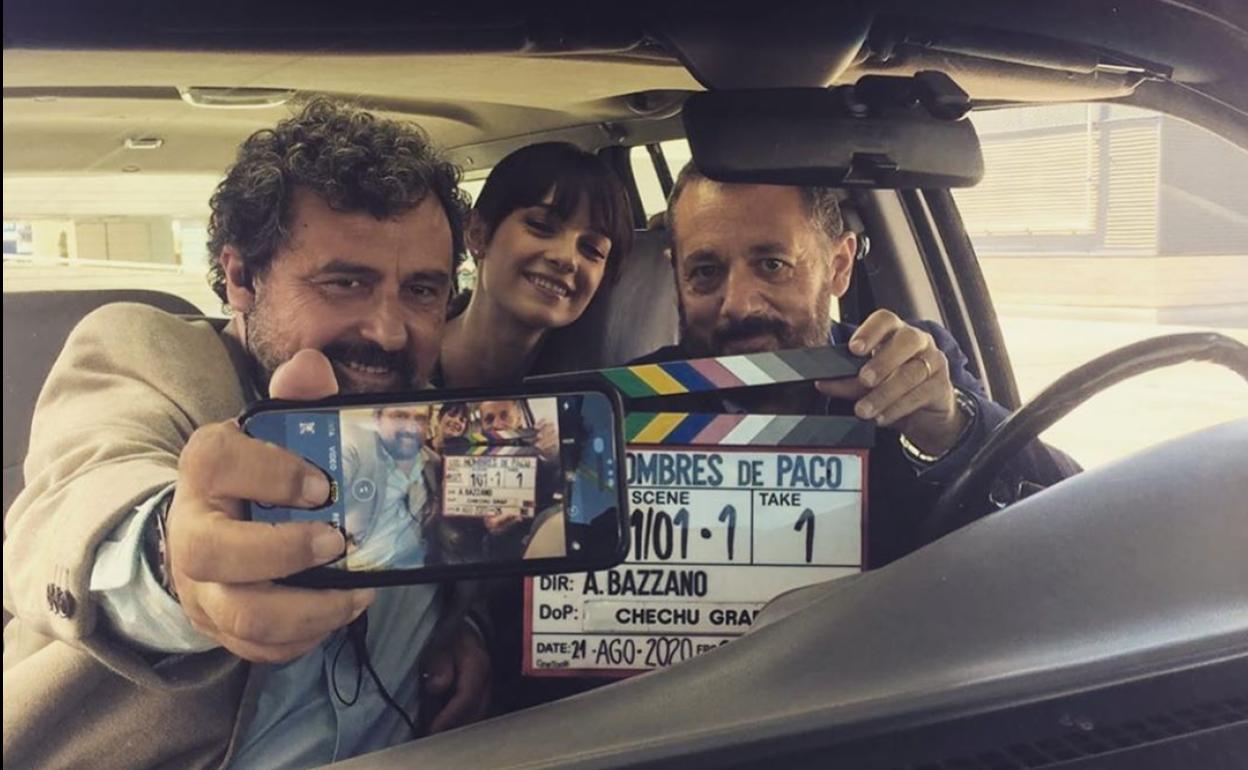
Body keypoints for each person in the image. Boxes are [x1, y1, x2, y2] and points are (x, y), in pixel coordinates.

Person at [2, 99, 491, 770]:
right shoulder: (144, 353)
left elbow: (486, 547)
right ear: (241, 278)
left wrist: (467, 629)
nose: (388, 330)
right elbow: (73, 503)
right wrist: (175, 562)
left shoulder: (436, 420)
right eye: (345, 282)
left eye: (422, 291)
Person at [633, 164, 1079, 565]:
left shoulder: (908, 374)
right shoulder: (627, 403)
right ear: (677, 277)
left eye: (772, 264)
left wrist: (951, 429)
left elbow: (1073, 510)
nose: (738, 304)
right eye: (706, 271)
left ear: (839, 266)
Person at [437, 141, 634, 388]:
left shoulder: (601, 391)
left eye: (592, 249)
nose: (567, 258)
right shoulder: (402, 356)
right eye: (541, 226)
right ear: (478, 233)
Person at [342, 406, 441, 570]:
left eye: (421, 419)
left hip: (413, 571)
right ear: (377, 418)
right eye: (400, 416)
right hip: (357, 570)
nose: (411, 429)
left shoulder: (434, 463)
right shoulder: (358, 448)